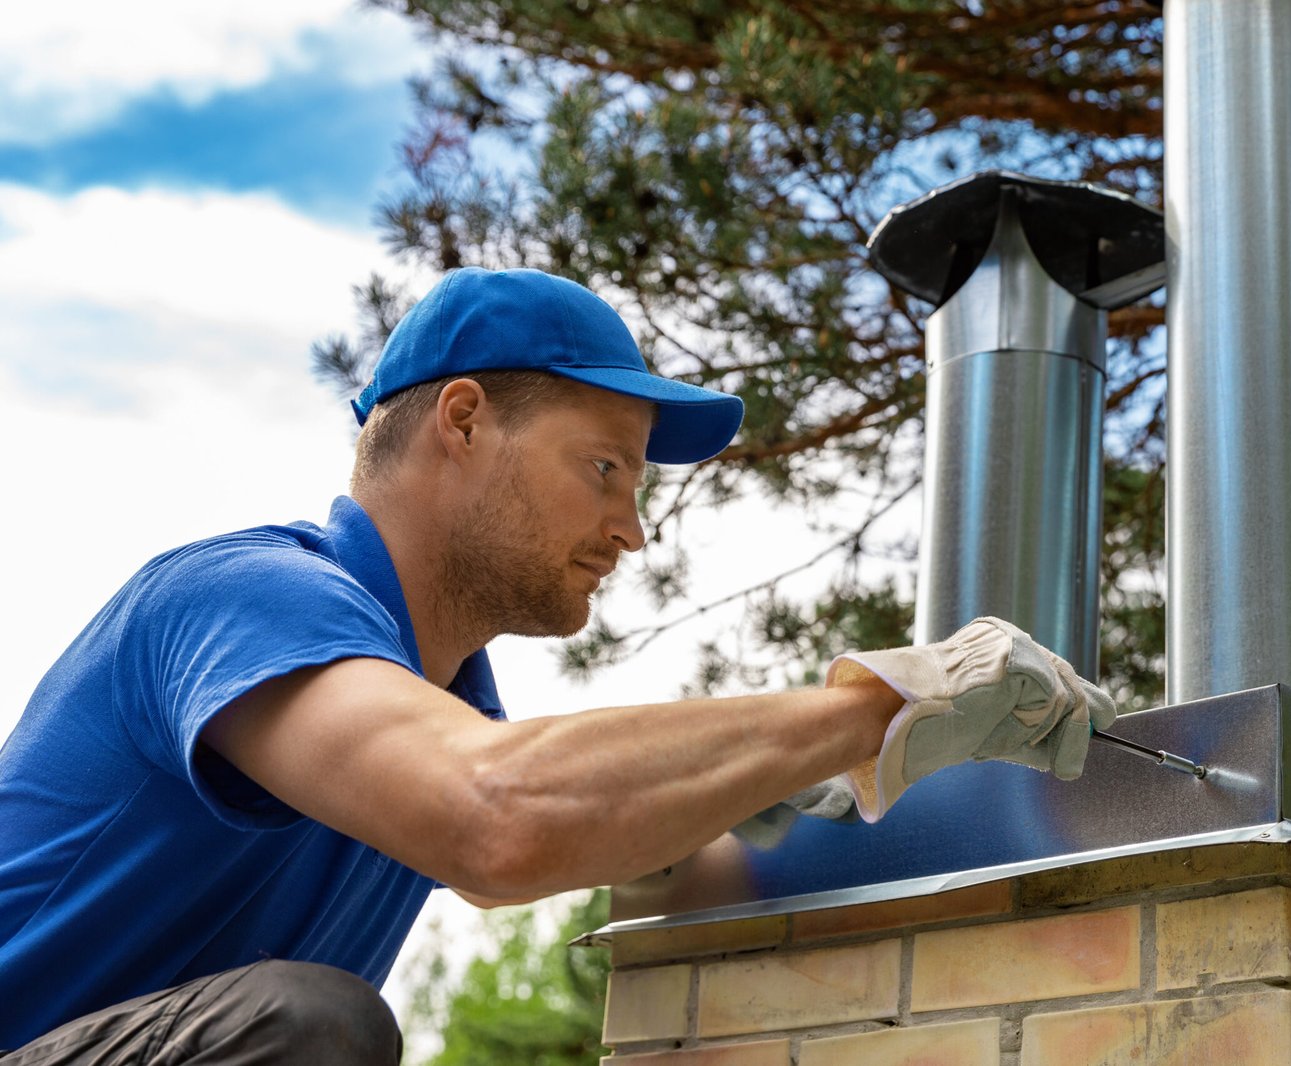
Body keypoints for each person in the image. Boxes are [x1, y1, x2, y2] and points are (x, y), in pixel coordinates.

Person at [0, 267, 1115, 1061]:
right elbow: (498, 816)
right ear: (465, 420)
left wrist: (766, 799)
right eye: (603, 468)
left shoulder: (439, 703)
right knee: (313, 1023)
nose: (633, 530)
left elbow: (519, 852)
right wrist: (875, 707)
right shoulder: (248, 597)